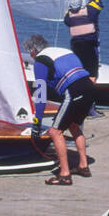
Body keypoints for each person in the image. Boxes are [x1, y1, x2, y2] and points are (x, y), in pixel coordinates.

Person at [24, 34, 94, 185]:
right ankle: (83, 166)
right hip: (90, 87)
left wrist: (37, 121)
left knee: (54, 132)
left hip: (74, 90)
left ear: (34, 50)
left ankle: (64, 175)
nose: (31, 56)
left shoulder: (41, 61)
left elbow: (41, 95)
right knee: (74, 126)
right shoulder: (62, 51)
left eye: (30, 52)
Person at [63, 0, 103, 82]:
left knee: (80, 71)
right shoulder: (91, 11)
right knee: (92, 73)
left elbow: (67, 15)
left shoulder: (68, 17)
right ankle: (90, 93)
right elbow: (98, 2)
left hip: (77, 48)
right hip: (90, 47)